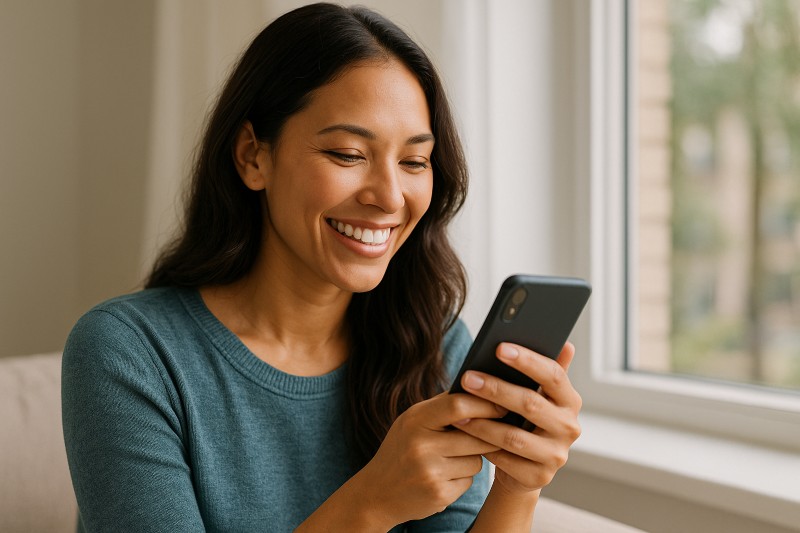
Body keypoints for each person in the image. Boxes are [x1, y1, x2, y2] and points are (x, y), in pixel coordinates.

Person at [61, 3, 582, 531]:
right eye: (348, 153)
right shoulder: (129, 352)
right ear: (252, 156)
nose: (388, 197)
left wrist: (519, 485)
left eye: (414, 161)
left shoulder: (432, 342)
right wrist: (370, 504)